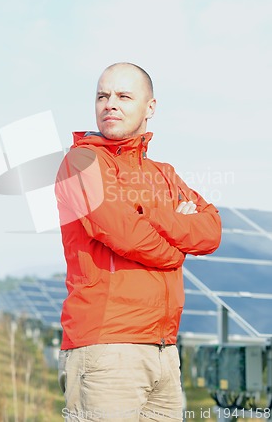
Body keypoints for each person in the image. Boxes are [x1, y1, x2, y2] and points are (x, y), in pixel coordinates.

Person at [55, 62, 222, 422]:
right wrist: (177, 246)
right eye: (102, 96)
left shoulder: (165, 174)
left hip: (164, 351)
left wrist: (152, 213)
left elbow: (210, 230)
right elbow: (124, 233)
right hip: (106, 349)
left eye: (123, 96)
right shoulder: (81, 162)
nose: (109, 104)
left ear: (150, 108)